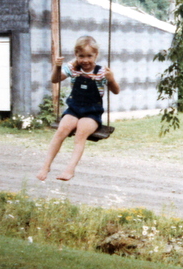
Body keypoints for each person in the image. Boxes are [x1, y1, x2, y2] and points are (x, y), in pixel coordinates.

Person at [37, 36, 120, 181]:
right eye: (81, 56)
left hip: (92, 112)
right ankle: (46, 166)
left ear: (96, 55)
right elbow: (55, 80)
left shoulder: (101, 72)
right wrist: (57, 66)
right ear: (76, 55)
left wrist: (111, 79)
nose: (85, 60)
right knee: (61, 130)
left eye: (89, 56)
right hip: (74, 109)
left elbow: (116, 91)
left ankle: (70, 169)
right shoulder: (72, 68)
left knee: (80, 133)